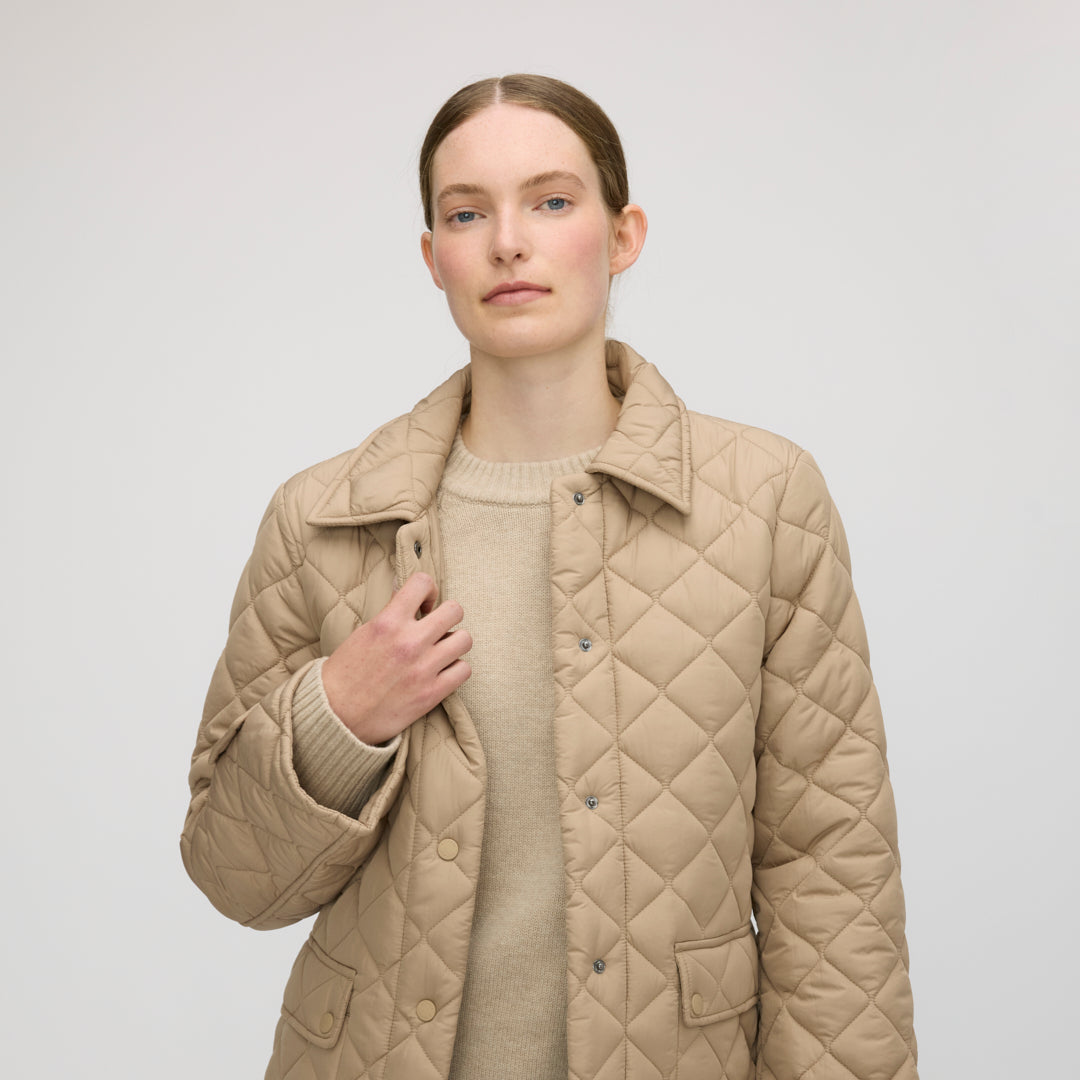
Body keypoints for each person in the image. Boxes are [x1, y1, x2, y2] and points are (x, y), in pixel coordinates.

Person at [181, 74, 919, 1080]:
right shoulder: (322, 520)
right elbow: (233, 877)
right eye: (466, 213)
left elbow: (832, 871)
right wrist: (337, 718)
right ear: (433, 258)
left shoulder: (765, 500)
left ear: (622, 236)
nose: (507, 242)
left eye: (552, 201)